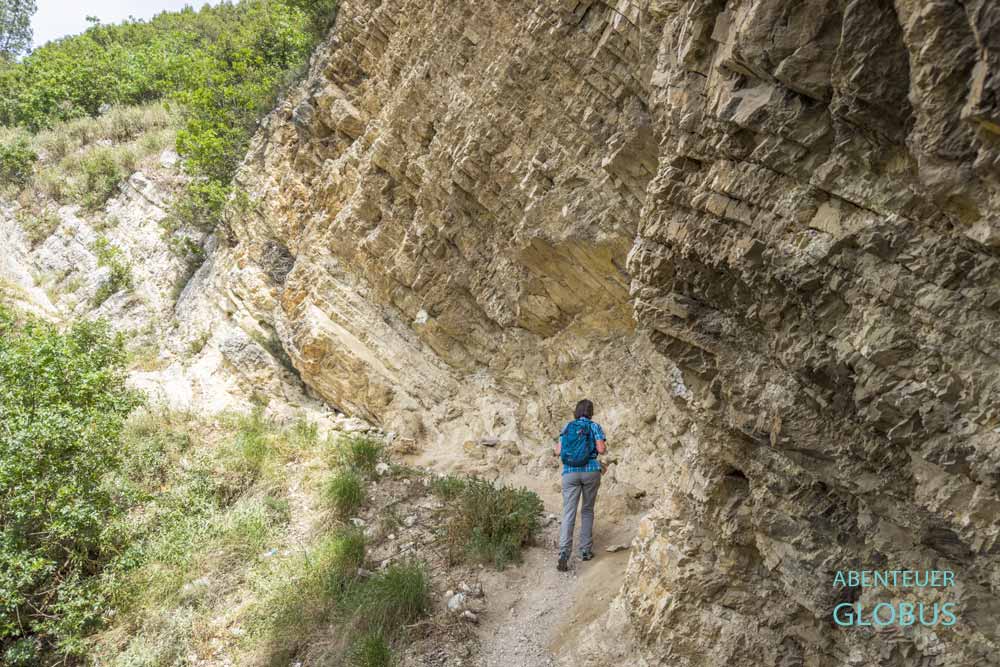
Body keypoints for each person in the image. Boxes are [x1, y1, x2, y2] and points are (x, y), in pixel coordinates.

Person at [554, 398, 606, 571]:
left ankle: (563, 552)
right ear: (591, 412)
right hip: (591, 471)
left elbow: (558, 451)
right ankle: (585, 550)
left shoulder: (567, 427)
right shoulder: (594, 426)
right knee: (587, 510)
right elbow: (601, 450)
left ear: (576, 411)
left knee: (568, 511)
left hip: (570, 472)